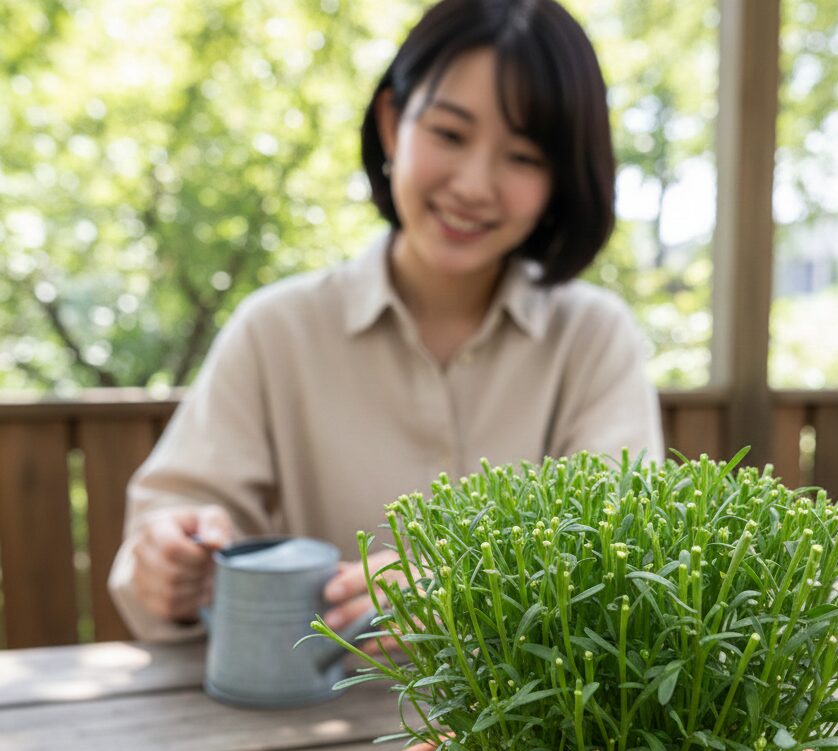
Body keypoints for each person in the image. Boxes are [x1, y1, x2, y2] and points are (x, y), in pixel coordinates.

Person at [108, 0, 665, 644]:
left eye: (525, 158)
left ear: (560, 181)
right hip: (298, 716)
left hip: (537, 740)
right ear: (394, 123)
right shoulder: (277, 330)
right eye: (451, 135)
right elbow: (173, 522)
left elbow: (625, 567)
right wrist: (169, 564)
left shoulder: (594, 339)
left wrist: (471, 587)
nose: (475, 184)